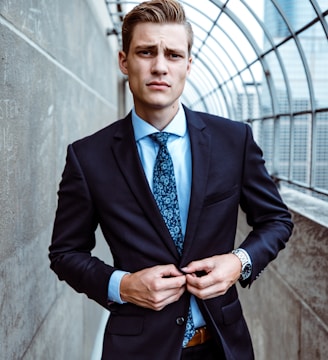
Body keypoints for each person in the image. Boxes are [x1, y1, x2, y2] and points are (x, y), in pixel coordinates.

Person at [49, 1, 293, 359]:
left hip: (222, 346)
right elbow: (65, 253)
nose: (160, 66)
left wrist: (238, 262)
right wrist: (123, 285)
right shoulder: (88, 157)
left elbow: (276, 220)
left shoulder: (234, 140)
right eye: (146, 52)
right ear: (124, 61)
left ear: (188, 65)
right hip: (137, 349)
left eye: (174, 55)